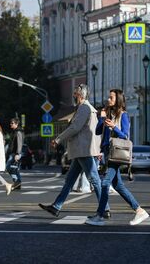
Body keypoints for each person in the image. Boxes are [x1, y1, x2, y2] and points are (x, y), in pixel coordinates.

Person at [39, 84, 107, 217]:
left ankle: (105, 208)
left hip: (83, 149)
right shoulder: (87, 108)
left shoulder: (84, 108)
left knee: (94, 179)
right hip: (81, 149)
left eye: (75, 93)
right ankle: (56, 206)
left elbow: (75, 128)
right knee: (70, 180)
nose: (74, 96)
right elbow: (94, 132)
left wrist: (58, 139)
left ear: (81, 95)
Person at [86, 89, 149, 226]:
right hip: (108, 152)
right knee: (118, 185)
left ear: (118, 100)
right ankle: (139, 210)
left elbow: (125, 136)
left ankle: (99, 215)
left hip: (116, 153)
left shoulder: (124, 116)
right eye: (108, 97)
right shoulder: (109, 114)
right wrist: (102, 119)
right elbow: (97, 132)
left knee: (105, 183)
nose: (108, 99)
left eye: (111, 98)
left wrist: (114, 127)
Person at [7, 118, 24, 190]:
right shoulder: (14, 131)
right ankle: (17, 183)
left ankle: (17, 181)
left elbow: (19, 143)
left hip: (15, 153)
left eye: (12, 123)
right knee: (14, 169)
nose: (10, 124)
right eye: (10, 123)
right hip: (13, 153)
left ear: (16, 124)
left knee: (9, 168)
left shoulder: (18, 132)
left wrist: (17, 153)